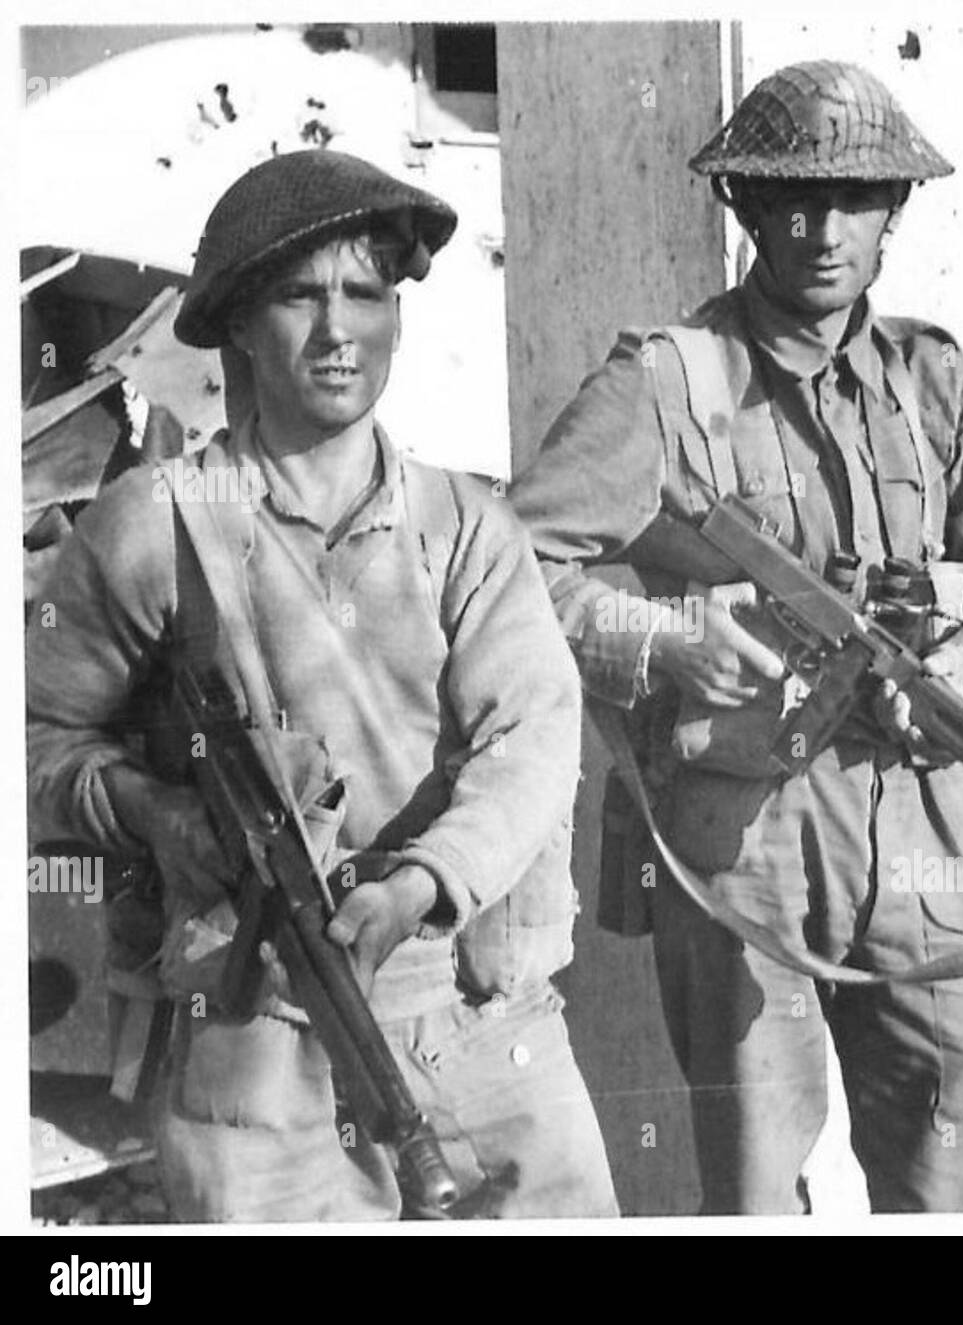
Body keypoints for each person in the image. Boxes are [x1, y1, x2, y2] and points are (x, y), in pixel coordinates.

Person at [509, 61, 963, 1214]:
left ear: (893, 214)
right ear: (747, 209)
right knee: (758, 1182)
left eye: (856, 198)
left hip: (926, 821)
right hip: (742, 841)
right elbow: (505, 572)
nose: (823, 230)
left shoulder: (931, 381)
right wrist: (661, 637)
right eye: (791, 198)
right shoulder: (665, 383)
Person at [26, 149, 618, 1222]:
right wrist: (157, 812)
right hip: (256, 1041)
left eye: (366, 294)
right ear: (241, 323)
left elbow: (531, 738)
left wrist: (425, 882)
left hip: (473, 1014)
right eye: (300, 295)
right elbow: (36, 742)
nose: (339, 330)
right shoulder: (153, 525)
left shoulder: (467, 527)